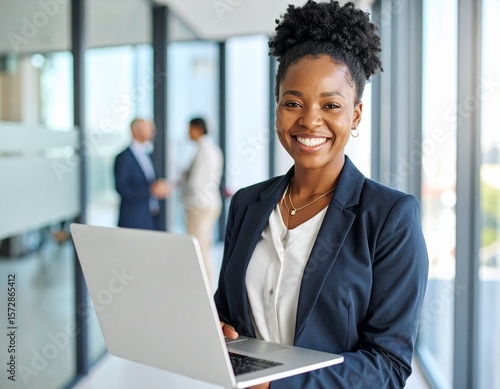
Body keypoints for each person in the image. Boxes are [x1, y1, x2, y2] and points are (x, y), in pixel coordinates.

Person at [215, 1, 429, 388]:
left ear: (357, 114)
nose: (310, 120)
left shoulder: (390, 216)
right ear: (277, 106)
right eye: (292, 102)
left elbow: (388, 364)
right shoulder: (247, 203)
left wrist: (275, 384)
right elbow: (228, 312)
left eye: (331, 105)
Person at [180, 117, 223, 288]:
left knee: (199, 249)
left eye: (190, 129)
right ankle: (203, 286)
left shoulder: (204, 150)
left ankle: (203, 287)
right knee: (203, 247)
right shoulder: (210, 148)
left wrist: (183, 181)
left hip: (199, 205)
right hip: (209, 203)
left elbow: (196, 182)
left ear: (197, 129)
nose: (188, 133)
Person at [114, 118, 170, 230]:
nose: (153, 131)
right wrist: (150, 190)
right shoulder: (123, 157)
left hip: (153, 216)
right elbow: (122, 189)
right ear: (135, 130)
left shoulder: (149, 154)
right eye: (148, 128)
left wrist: (161, 186)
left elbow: (153, 180)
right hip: (134, 219)